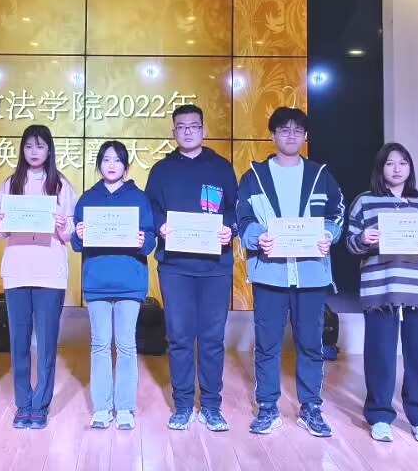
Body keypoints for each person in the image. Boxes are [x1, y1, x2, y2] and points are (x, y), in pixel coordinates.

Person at [236, 106, 344, 438]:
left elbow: (337, 213)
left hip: (310, 273)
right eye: (284, 129)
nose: (291, 135)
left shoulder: (320, 175)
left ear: (305, 136)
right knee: (267, 343)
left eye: (298, 130)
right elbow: (243, 218)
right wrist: (257, 237)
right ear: (272, 135)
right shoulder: (254, 176)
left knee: (311, 343)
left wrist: (329, 234)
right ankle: (267, 407)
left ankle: (310, 407)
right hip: (269, 273)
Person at [345, 143, 418, 444]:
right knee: (380, 355)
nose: (397, 168)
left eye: (403, 163)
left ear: (410, 168)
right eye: (390, 163)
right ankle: (380, 415)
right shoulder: (365, 202)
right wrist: (363, 238)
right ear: (380, 168)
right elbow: (350, 242)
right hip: (381, 288)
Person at [144, 104, 237, 432]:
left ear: (203, 130)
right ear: (174, 132)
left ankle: (211, 405)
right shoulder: (162, 170)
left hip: (215, 266)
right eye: (181, 127)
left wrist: (230, 228)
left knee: (212, 338)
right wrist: (159, 225)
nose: (187, 131)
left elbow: (236, 210)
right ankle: (183, 404)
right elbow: (150, 208)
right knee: (180, 336)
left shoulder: (221, 168)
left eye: (193, 126)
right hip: (175, 267)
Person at [0, 124, 77, 430]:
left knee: (47, 343)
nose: (34, 152)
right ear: (22, 150)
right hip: (17, 270)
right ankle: (23, 403)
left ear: (49, 150)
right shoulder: (10, 184)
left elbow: (70, 234)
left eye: (40, 146)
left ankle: (40, 405)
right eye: (28, 146)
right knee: (19, 342)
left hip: (50, 272)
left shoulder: (61, 185)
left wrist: (63, 225)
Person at [71, 141, 156, 431]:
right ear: (99, 164)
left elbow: (150, 239)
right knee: (99, 344)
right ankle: (102, 408)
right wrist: (79, 234)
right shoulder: (88, 198)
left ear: (125, 166)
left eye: (117, 160)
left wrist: (143, 240)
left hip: (129, 282)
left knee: (126, 345)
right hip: (97, 281)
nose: (111, 165)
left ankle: (125, 408)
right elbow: (76, 242)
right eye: (106, 159)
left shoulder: (139, 198)